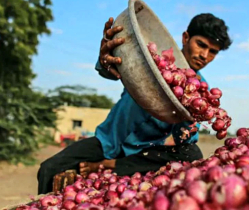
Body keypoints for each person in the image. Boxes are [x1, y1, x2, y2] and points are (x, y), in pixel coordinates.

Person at [37, 13, 232, 194]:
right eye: (201, 45)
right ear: (185, 37)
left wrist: (190, 116)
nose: (204, 55)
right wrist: (105, 60)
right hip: (107, 141)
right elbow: (114, 69)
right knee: (49, 168)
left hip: (144, 152)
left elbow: (184, 140)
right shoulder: (153, 61)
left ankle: (110, 165)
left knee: (192, 154)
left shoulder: (201, 90)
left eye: (212, 51)